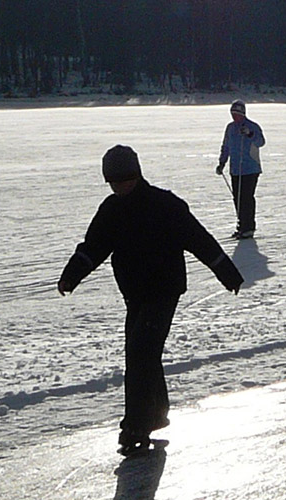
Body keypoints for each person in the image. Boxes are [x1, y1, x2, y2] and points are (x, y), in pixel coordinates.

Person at [58, 145, 246, 457]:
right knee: (142, 351)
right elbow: (92, 247)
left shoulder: (165, 205)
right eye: (114, 183)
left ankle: (137, 425)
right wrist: (71, 275)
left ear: (138, 174)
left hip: (165, 290)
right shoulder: (111, 210)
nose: (120, 187)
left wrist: (227, 272)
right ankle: (155, 415)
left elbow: (199, 239)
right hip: (135, 293)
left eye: (125, 180)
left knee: (140, 352)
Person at [217, 100, 266, 238]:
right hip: (235, 169)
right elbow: (226, 146)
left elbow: (261, 142)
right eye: (232, 113)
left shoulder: (252, 126)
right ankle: (242, 224)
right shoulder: (230, 128)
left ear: (243, 113)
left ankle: (249, 227)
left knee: (247, 198)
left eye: (237, 113)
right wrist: (222, 162)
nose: (234, 116)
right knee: (237, 198)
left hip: (250, 169)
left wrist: (250, 134)